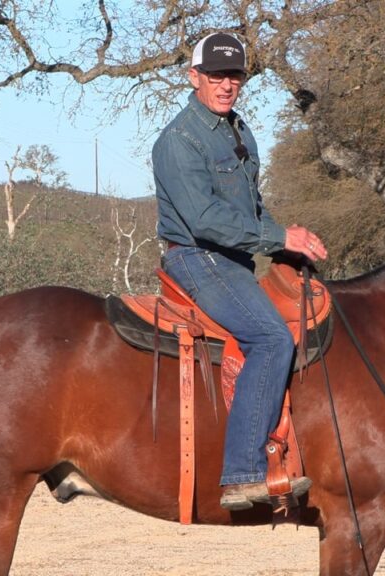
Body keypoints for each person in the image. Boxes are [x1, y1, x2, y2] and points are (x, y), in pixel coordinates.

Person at [152, 32, 328, 511]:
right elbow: (205, 220)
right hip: (197, 256)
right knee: (271, 338)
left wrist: (287, 243)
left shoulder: (239, 131)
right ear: (194, 77)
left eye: (234, 76)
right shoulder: (179, 140)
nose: (226, 85)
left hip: (236, 259)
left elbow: (251, 210)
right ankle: (243, 473)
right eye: (216, 76)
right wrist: (279, 237)